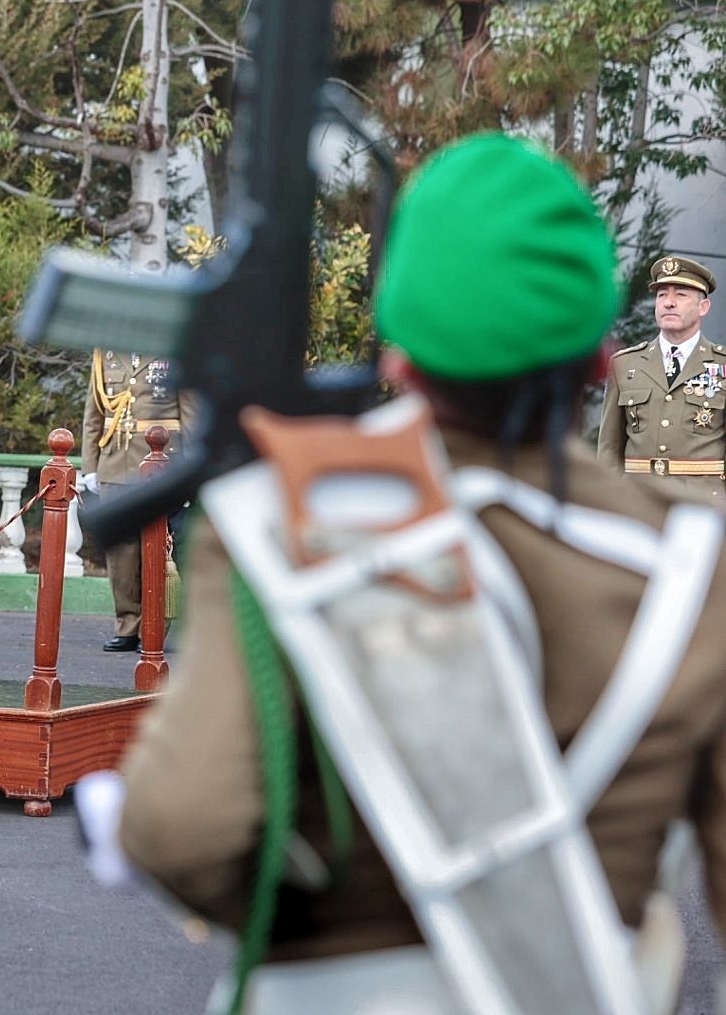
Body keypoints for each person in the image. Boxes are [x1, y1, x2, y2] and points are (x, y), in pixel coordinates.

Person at [118, 135, 726, 1007]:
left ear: (398, 353)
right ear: (600, 361)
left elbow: (180, 832)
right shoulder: (698, 563)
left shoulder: (285, 519)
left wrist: (310, 921)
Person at [78, 350, 194, 652]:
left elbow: (191, 413)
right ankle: (127, 625)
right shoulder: (106, 354)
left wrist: (192, 468)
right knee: (121, 554)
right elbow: (94, 415)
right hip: (116, 461)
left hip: (164, 464)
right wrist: (90, 465)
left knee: (165, 551)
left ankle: (158, 627)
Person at [598, 255, 725, 503]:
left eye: (681, 294)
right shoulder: (624, 364)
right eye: (662, 295)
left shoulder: (721, 365)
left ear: (703, 307)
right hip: (639, 502)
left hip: (703, 505)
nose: (669, 303)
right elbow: (609, 450)